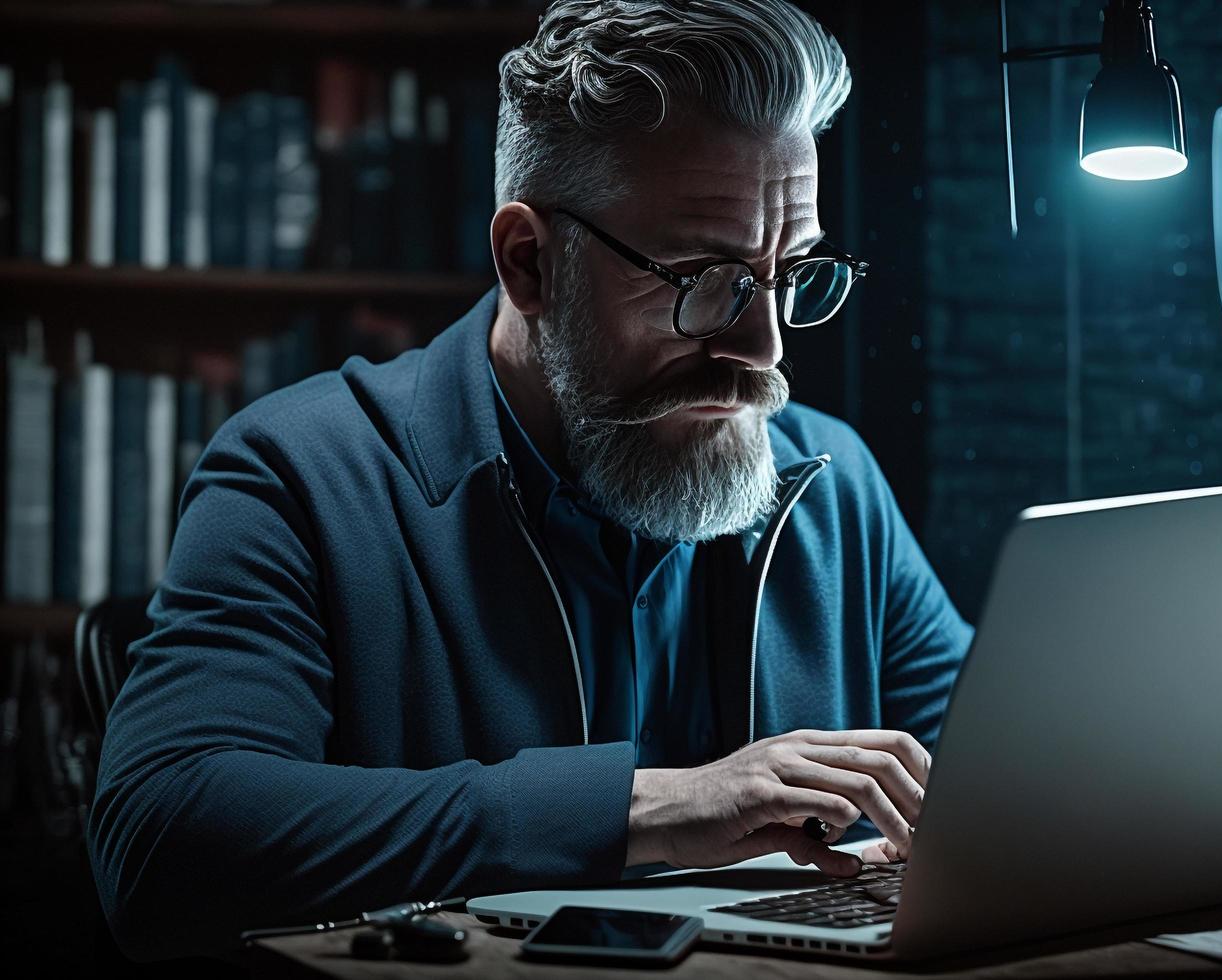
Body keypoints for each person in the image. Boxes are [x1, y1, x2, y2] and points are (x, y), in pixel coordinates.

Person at [87, 0, 973, 963]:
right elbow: (162, 836)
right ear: (529, 263)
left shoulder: (832, 485)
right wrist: (651, 807)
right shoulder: (298, 476)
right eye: (701, 278)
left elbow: (1011, 778)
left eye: (791, 273)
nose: (763, 352)